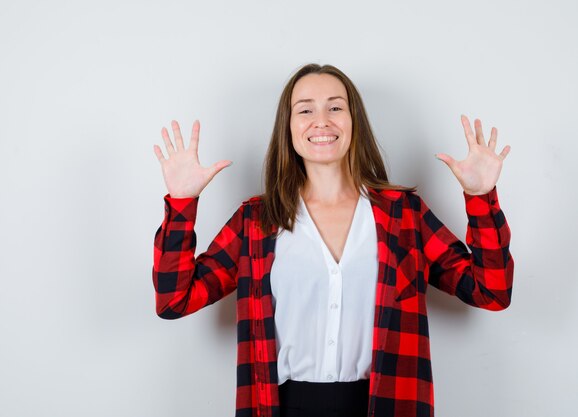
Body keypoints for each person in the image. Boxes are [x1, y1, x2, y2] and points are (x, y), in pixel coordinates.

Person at [152, 63, 513, 417]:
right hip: (284, 406)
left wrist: (481, 197)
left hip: (386, 404)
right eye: (305, 109)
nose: (321, 120)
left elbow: (491, 291)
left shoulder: (404, 215)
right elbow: (174, 300)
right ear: (288, 128)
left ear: (354, 122)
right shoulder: (256, 222)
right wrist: (182, 204)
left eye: (335, 107)